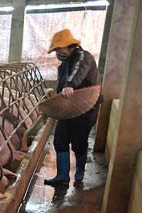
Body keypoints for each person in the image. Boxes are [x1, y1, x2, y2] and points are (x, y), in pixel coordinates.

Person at [44, 29, 99, 186]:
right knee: (60, 139)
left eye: (58, 48)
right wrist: (55, 96)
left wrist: (70, 85)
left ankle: (79, 172)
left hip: (85, 107)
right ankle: (62, 177)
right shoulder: (64, 64)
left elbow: (78, 72)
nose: (57, 52)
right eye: (55, 49)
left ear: (68, 45)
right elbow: (61, 86)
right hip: (68, 108)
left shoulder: (83, 56)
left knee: (78, 142)